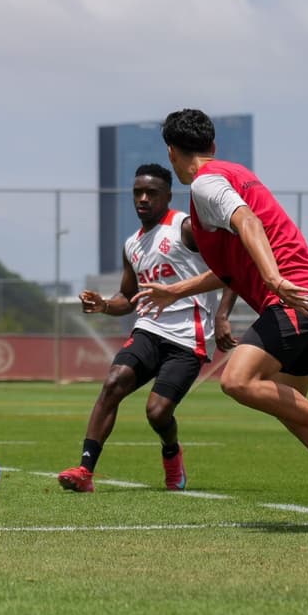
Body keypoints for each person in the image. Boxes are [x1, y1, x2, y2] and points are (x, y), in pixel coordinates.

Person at [134, 108, 308, 528]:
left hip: (292, 296)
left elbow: (248, 222)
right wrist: (175, 289)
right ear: (212, 146)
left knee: (237, 380)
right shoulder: (233, 174)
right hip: (305, 297)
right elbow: (233, 266)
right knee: (292, 411)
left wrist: (274, 278)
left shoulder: (205, 184)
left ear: (172, 152)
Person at [57, 163, 234, 493]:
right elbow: (128, 296)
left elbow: (232, 265)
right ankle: (84, 470)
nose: (142, 198)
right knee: (113, 383)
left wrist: (223, 314)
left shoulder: (185, 228)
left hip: (187, 338)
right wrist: (105, 305)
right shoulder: (132, 245)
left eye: (151, 193)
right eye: (137, 192)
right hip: (148, 330)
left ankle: (172, 453)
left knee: (157, 413)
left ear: (167, 195)